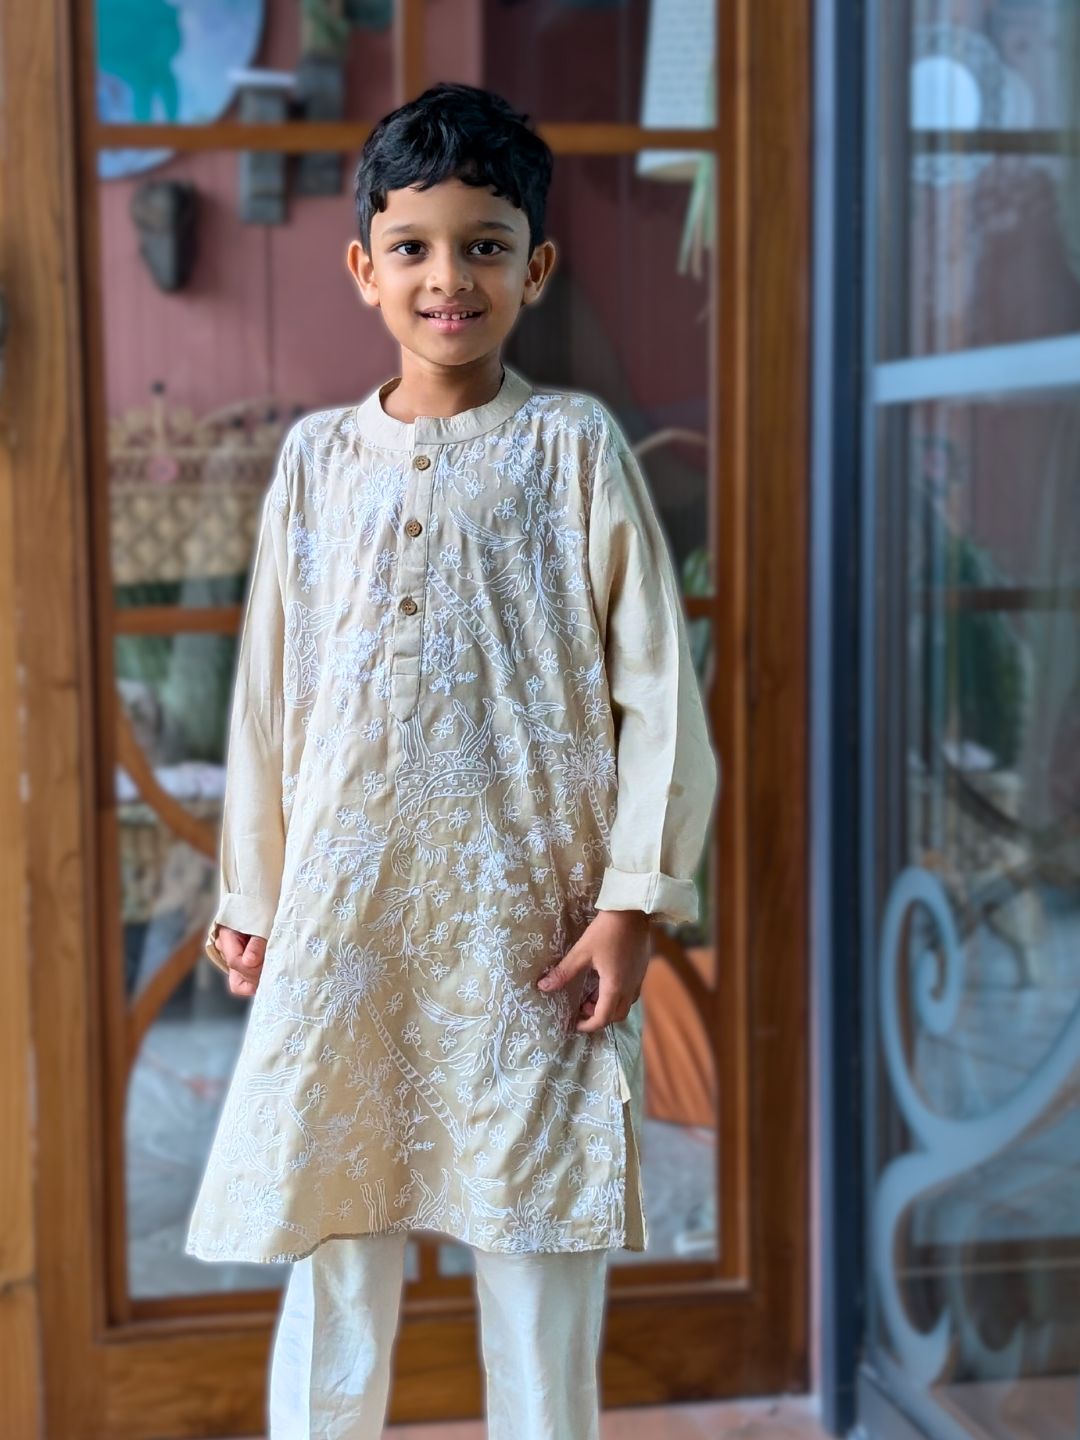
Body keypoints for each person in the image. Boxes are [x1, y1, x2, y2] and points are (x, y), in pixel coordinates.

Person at [184, 80, 720, 1440]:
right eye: (413, 246)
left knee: (538, 1251)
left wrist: (633, 901)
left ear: (535, 267)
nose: (448, 278)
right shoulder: (317, 462)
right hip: (348, 922)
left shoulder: (572, 449)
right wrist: (254, 894)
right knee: (335, 1247)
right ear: (362, 267)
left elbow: (659, 696)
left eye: (485, 245)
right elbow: (270, 703)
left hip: (528, 929)